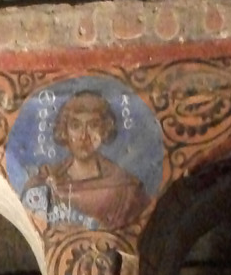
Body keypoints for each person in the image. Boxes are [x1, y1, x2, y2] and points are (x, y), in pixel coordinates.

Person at [21, 90, 151, 231]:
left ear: (104, 130)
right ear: (64, 130)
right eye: (75, 126)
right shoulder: (46, 179)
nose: (84, 136)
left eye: (93, 125)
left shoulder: (126, 188)